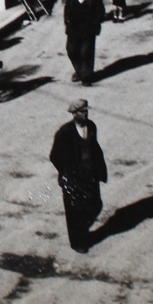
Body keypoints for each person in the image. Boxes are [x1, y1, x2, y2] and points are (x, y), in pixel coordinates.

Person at [49, 98, 108, 253]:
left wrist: (98, 169)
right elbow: (54, 155)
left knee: (96, 205)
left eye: (87, 110)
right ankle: (77, 242)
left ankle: (82, 230)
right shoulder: (64, 132)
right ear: (74, 114)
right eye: (82, 111)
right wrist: (67, 172)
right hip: (72, 178)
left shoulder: (91, 126)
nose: (86, 113)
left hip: (90, 175)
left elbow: (94, 147)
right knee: (74, 211)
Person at [62, 0, 104, 84]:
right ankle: (79, 71)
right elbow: (67, 9)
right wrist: (67, 21)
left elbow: (100, 12)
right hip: (73, 29)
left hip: (88, 30)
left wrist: (94, 24)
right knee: (71, 50)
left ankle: (86, 77)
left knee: (86, 53)